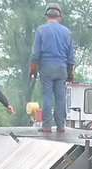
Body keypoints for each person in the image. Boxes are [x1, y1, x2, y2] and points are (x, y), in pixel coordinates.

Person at [29, 3, 75, 133]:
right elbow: (71, 56)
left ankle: (47, 125)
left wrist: (32, 70)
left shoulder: (41, 30)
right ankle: (61, 126)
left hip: (46, 68)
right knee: (60, 97)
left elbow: (36, 53)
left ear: (47, 16)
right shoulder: (67, 32)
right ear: (59, 17)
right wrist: (70, 73)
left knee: (47, 96)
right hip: (61, 68)